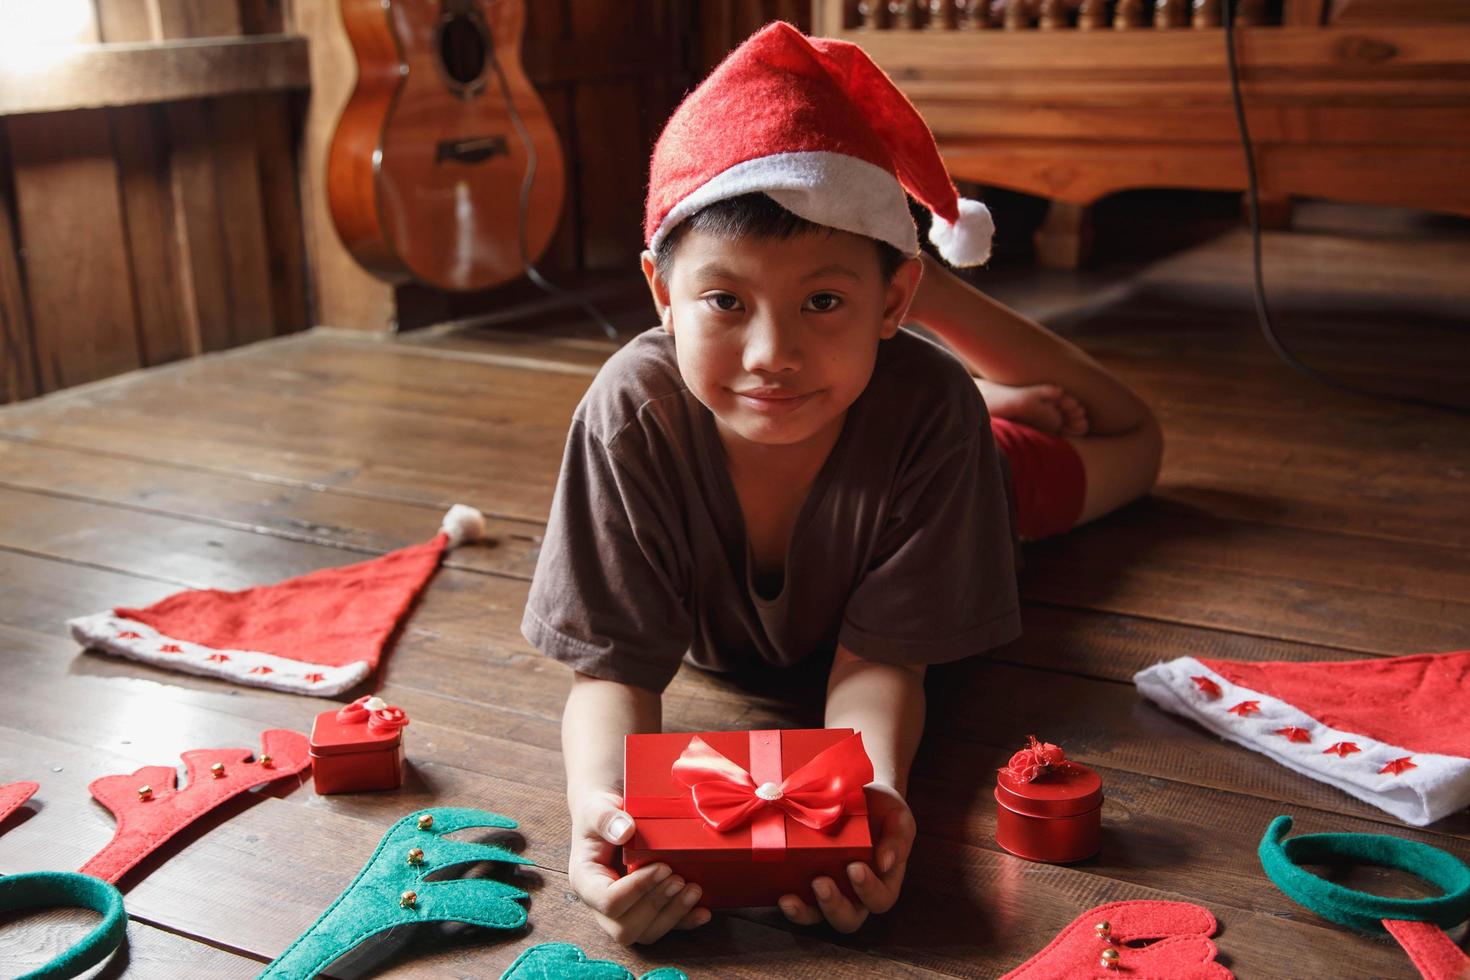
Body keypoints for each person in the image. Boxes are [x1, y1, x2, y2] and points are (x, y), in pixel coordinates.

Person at [520, 21, 1162, 946]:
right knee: (845, 359)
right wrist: (598, 812)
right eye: (724, 302)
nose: (771, 356)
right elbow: (611, 669)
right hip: (883, 366)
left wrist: (876, 799)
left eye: (824, 300)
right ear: (662, 295)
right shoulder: (634, 414)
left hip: (960, 471)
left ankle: (959, 358)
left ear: (891, 299)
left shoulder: (935, 421)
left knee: (1136, 444)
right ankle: (916, 340)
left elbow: (883, 661)